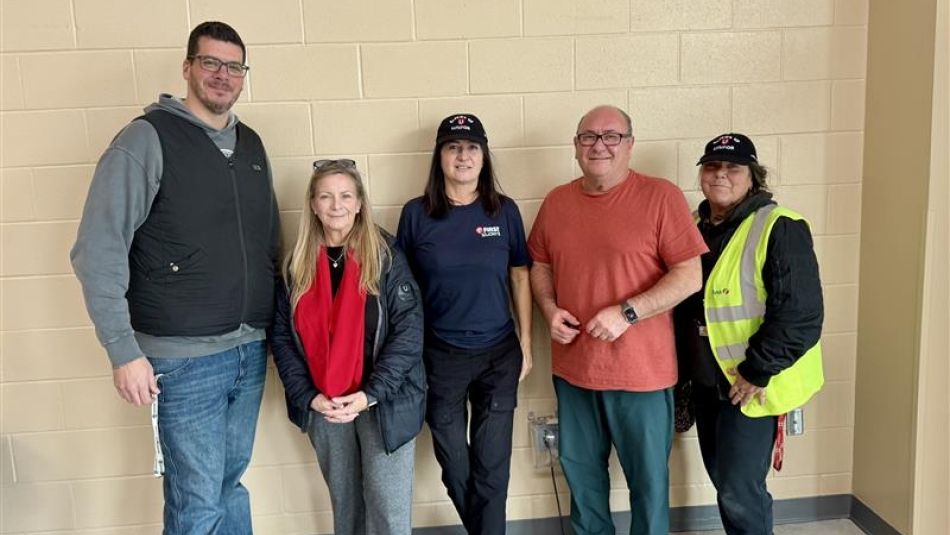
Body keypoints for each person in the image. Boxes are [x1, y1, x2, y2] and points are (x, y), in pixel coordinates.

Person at [70, 21, 279, 534]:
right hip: (184, 363)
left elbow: (267, 242)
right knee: (197, 502)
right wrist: (123, 350)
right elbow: (97, 249)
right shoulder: (146, 139)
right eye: (210, 63)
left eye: (234, 67)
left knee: (230, 489)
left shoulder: (250, 145)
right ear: (187, 68)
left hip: (248, 351)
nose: (222, 76)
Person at [527, 105, 707, 535]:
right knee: (583, 483)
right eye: (588, 137)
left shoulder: (660, 197)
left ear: (630, 144)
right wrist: (549, 309)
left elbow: (689, 276)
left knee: (647, 485)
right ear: (575, 146)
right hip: (574, 372)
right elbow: (539, 264)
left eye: (611, 136)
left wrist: (628, 313)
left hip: (642, 375)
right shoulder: (556, 202)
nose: (599, 146)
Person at [673, 133, 824, 534]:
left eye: (733, 168)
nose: (720, 175)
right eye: (712, 166)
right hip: (708, 382)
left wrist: (756, 371)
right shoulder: (692, 225)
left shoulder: (780, 227)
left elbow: (801, 315)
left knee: (739, 491)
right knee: (726, 483)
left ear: (752, 178)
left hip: (750, 384)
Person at [271, 159, 425, 535]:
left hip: (384, 401)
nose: (336, 205)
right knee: (346, 505)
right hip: (324, 402)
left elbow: (409, 333)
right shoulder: (296, 265)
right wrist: (308, 396)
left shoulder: (386, 256)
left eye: (345, 196)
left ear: (359, 203)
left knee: (387, 508)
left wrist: (369, 395)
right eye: (325, 196)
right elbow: (282, 337)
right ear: (312, 204)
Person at [396, 113, 532, 535]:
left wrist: (527, 342)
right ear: (439, 157)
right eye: (453, 146)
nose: (463, 155)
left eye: (472, 146)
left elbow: (520, 275)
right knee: (455, 464)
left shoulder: (503, 211)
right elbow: (404, 290)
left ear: (484, 156)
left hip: (498, 355)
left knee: (493, 468)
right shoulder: (416, 214)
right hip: (441, 357)